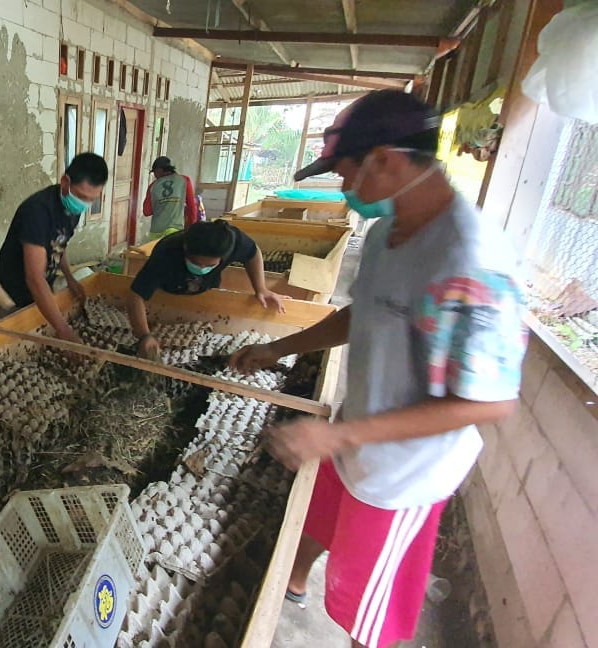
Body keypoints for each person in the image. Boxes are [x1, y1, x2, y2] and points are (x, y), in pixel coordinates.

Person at [229, 90, 527, 648]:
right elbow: (361, 312)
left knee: (368, 611)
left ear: (385, 160)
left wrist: (339, 435)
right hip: (356, 437)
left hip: (401, 473)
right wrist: (280, 348)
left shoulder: (468, 260)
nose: (344, 187)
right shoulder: (387, 232)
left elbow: (488, 402)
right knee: (318, 519)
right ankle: (292, 581)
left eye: (346, 173)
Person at [128, 220, 287, 359]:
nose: (202, 267)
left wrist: (261, 288)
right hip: (168, 290)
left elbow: (253, 252)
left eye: (210, 265)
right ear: (185, 249)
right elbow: (136, 296)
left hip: (207, 290)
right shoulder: (166, 252)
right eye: (196, 263)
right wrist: (144, 335)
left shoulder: (230, 242)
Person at [0, 152, 108, 342]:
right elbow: (35, 278)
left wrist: (70, 278)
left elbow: (59, 244)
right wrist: (63, 329)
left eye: (91, 199)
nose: (84, 204)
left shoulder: (71, 209)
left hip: (38, 295)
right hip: (10, 296)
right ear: (65, 182)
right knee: (9, 342)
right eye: (82, 197)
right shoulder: (37, 212)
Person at [143, 156, 198, 237]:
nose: (155, 176)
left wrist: (160, 203)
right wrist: (192, 227)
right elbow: (192, 206)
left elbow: (147, 211)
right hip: (175, 231)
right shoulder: (184, 180)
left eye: (154, 172)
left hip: (156, 231)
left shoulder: (153, 186)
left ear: (159, 170)